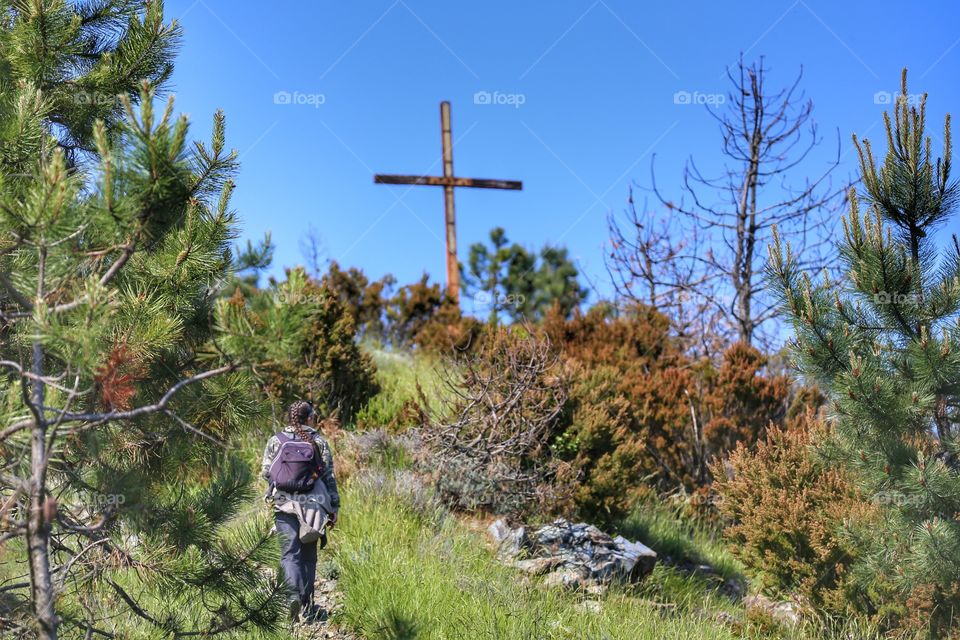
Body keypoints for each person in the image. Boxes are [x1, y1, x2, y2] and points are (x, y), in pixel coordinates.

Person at [261, 400, 340, 623]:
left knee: (289, 554)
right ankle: (307, 605)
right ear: (310, 418)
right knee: (308, 556)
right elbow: (328, 476)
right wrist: (334, 507)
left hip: (284, 504)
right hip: (313, 506)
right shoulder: (318, 442)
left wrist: (287, 482)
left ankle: (291, 598)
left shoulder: (276, 441)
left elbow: (267, 472)